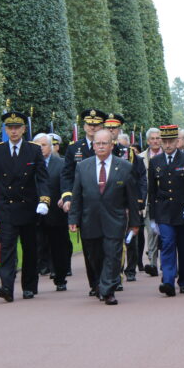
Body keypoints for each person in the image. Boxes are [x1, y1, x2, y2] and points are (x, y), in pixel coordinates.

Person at [68, 129, 141, 305]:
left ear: (111, 145)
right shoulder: (83, 166)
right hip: (89, 220)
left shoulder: (125, 167)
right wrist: (73, 219)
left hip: (114, 220)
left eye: (104, 143)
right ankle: (99, 284)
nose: (100, 146)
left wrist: (134, 223)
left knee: (113, 254)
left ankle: (108, 289)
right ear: (93, 146)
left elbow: (131, 198)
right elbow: (77, 195)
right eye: (97, 143)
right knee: (94, 256)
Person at [0, 111, 50, 302]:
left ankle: (29, 286)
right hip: (6, 206)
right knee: (7, 248)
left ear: (24, 129)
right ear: (5, 129)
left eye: (17, 128)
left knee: (30, 248)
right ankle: (7, 286)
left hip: (28, 206)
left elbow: (42, 177)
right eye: (10, 127)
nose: (13, 131)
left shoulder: (33, 149)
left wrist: (44, 200)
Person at [148, 125, 184, 296]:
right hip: (164, 212)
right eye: (164, 141)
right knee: (167, 244)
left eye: (171, 141)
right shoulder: (155, 162)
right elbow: (152, 191)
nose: (167, 144)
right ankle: (168, 281)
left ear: (177, 141)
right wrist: (152, 217)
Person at [61, 108, 107, 296]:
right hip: (85, 204)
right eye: (89, 124)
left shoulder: (110, 147)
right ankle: (95, 283)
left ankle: (107, 280)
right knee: (90, 247)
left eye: (96, 125)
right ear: (84, 126)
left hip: (106, 203)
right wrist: (67, 196)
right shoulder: (74, 148)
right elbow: (67, 175)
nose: (92, 128)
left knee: (108, 245)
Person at [105, 112, 147, 283]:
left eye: (114, 128)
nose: (111, 131)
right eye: (108, 128)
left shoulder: (128, 153)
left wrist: (138, 200)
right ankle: (115, 273)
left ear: (119, 130)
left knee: (130, 238)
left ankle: (130, 269)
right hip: (108, 202)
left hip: (126, 202)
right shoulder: (100, 149)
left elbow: (140, 178)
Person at [34, 133, 71, 291]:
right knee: (35, 247)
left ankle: (60, 277)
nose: (41, 148)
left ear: (51, 146)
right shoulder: (30, 163)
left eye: (43, 145)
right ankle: (31, 283)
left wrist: (65, 197)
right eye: (38, 145)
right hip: (34, 213)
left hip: (56, 212)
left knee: (58, 247)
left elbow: (66, 183)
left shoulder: (61, 163)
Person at [139, 127, 163, 276]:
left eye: (157, 138)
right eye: (152, 139)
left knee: (167, 234)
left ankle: (169, 263)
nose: (155, 141)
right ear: (148, 141)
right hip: (149, 201)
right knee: (152, 232)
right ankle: (153, 263)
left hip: (166, 200)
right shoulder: (140, 157)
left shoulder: (167, 155)